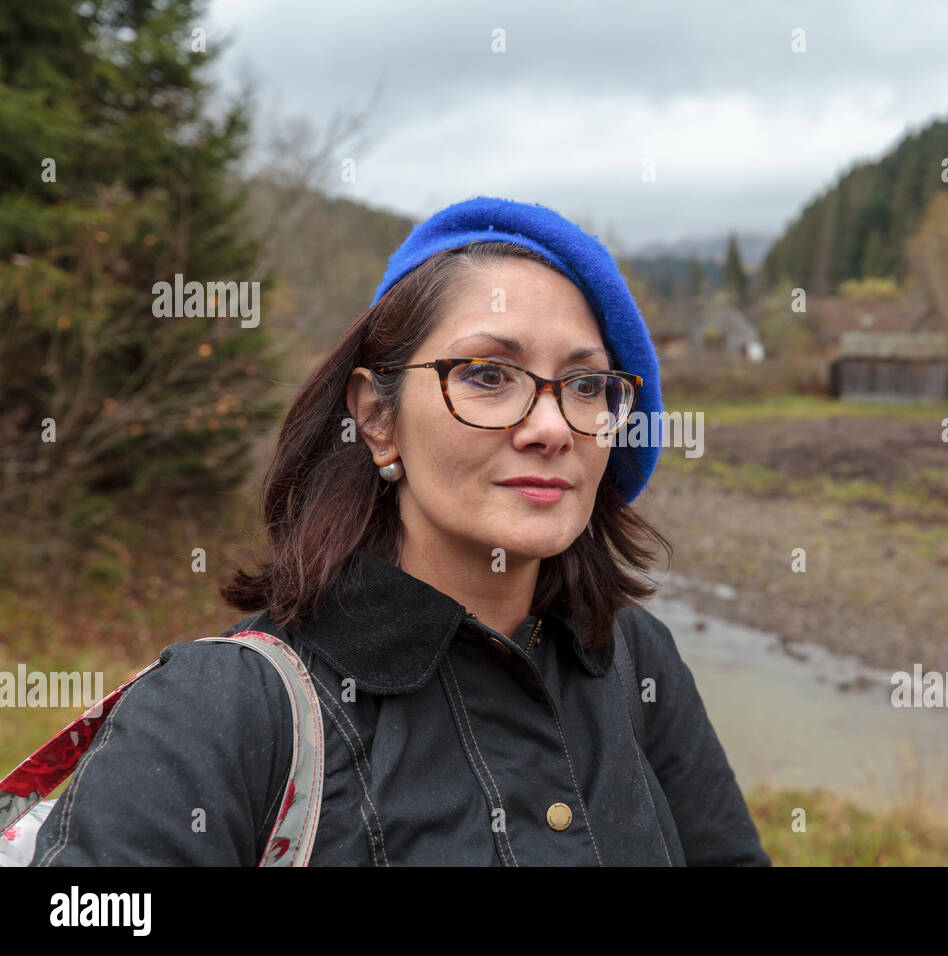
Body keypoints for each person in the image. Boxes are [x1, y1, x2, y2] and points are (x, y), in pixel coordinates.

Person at [33, 196, 771, 866]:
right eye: (487, 374)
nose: (551, 427)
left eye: (585, 386)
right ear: (378, 418)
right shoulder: (215, 711)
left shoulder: (633, 660)